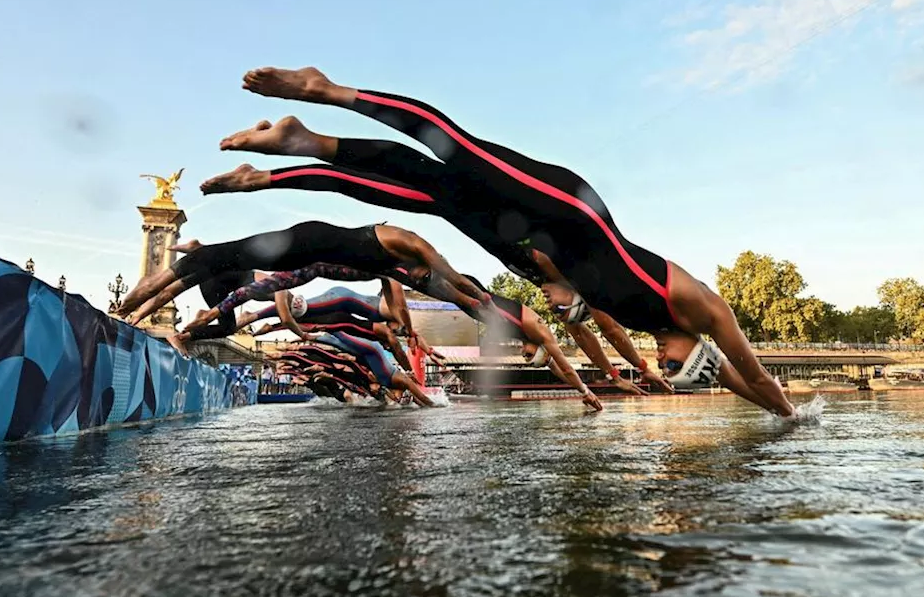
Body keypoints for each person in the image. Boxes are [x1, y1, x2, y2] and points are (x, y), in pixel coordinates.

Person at [201, 66, 795, 418]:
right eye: (674, 363)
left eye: (667, 366)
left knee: (422, 190)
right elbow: (753, 373)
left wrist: (605, 370)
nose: (662, 364)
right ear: (695, 347)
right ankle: (325, 90)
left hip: (525, 244)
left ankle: (295, 153)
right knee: (454, 150)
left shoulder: (645, 327)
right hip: (568, 208)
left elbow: (716, 374)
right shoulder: (695, 306)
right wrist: (793, 414)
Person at [180, 261, 612, 411]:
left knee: (305, 312)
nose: (525, 348)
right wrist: (594, 387)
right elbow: (562, 355)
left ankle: (219, 311)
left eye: (526, 351)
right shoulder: (534, 324)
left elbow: (341, 333)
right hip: (359, 309)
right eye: (529, 350)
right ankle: (224, 310)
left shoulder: (381, 336)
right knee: (304, 304)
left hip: (347, 316)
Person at [112, 220, 489, 327]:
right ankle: (123, 310)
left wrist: (470, 304)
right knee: (177, 277)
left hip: (300, 262)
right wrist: (470, 291)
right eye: (422, 277)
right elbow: (442, 269)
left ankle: (197, 256)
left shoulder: (401, 270)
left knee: (208, 270)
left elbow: (443, 287)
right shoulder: (405, 245)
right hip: (305, 241)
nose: (417, 280)